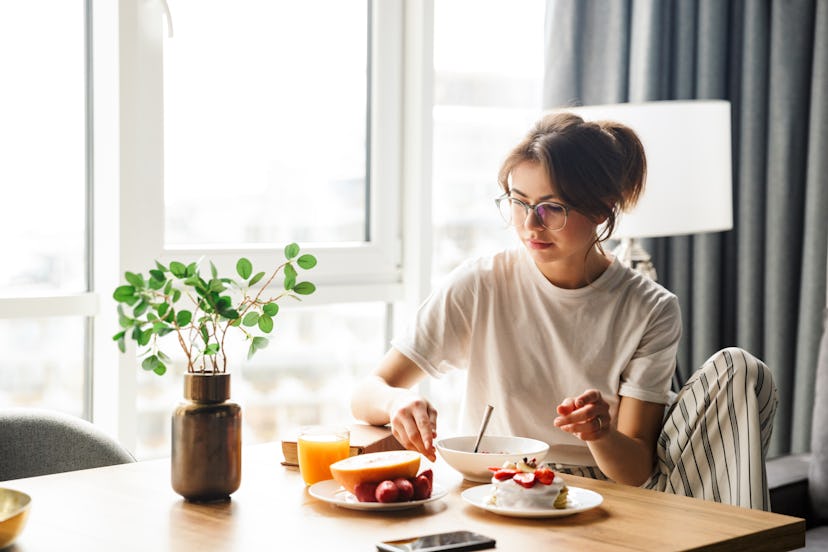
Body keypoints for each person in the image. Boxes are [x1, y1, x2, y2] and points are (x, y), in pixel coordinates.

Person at [351, 112, 777, 509]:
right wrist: (397, 403)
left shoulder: (651, 308)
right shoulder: (481, 284)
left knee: (741, 370)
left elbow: (634, 471)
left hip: (602, 496)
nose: (530, 224)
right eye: (518, 202)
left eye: (552, 208)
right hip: (498, 485)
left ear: (602, 209)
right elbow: (367, 392)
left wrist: (601, 433)